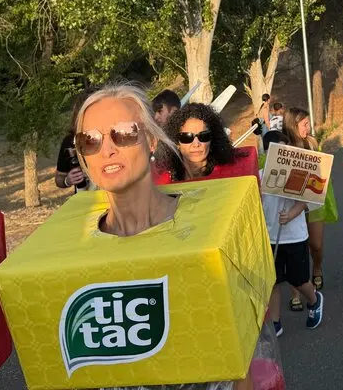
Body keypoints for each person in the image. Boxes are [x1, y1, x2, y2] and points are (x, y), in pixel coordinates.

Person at [73, 83, 254, 390]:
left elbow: (239, 357)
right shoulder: (72, 255)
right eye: (89, 140)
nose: (107, 150)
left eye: (124, 132)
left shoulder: (211, 230)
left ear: (152, 140)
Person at [260, 131, 324, 338]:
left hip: (295, 236)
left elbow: (304, 200)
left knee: (298, 279)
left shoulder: (297, 172)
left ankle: (314, 300)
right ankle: (276, 322)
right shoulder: (260, 176)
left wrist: (291, 215)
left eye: (283, 149)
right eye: (275, 150)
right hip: (270, 236)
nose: (280, 154)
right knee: (275, 281)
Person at [283, 107, 338, 311]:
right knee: (295, 247)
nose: (308, 127)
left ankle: (317, 268)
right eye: (304, 124)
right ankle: (295, 292)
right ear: (293, 125)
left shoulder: (312, 142)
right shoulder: (284, 145)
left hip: (313, 199)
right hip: (291, 202)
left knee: (315, 243)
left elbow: (322, 169)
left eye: (308, 123)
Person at [159, 102, 245, 182]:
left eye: (203, 136)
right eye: (187, 137)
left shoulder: (230, 176)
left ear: (212, 140)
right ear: (177, 143)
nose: (196, 144)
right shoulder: (166, 181)